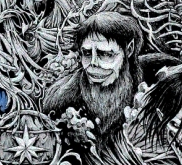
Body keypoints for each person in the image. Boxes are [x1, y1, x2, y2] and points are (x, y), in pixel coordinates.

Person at [42, 11, 143, 140]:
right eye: (87, 54)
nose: (93, 63)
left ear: (129, 50)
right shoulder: (61, 100)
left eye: (105, 54)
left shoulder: (151, 78)